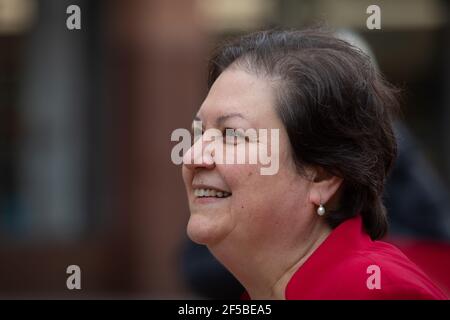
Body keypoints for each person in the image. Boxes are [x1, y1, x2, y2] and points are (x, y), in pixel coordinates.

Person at [180, 29, 447, 299]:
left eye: (232, 135)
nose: (192, 156)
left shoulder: (375, 292)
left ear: (322, 175)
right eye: (200, 133)